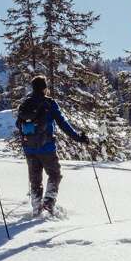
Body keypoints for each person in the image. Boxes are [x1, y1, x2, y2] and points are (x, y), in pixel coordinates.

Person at [15, 74, 88, 216]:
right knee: (55, 174)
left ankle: (36, 208)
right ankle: (48, 203)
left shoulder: (25, 104)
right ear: (45, 88)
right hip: (46, 147)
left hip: (29, 148)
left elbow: (18, 124)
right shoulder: (49, 103)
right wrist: (79, 138)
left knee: (35, 180)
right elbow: (63, 124)